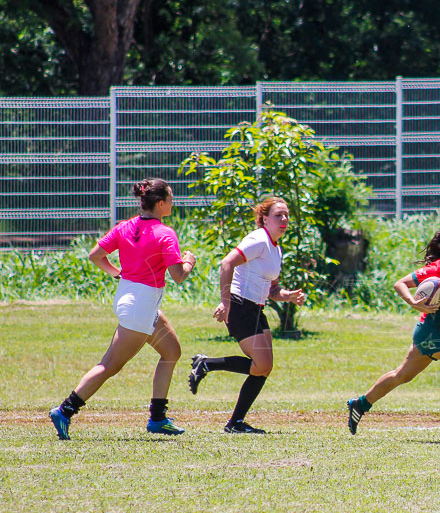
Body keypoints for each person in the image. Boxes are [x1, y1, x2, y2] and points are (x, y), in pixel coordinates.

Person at [48, 178, 197, 440]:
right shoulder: (165, 233)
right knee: (110, 366)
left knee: (171, 351)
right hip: (140, 306)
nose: (173, 203)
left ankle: (158, 417)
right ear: (161, 203)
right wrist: (189, 262)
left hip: (132, 299)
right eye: (171, 199)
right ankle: (65, 410)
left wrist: (117, 273)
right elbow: (178, 276)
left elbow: (95, 255)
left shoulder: (125, 226)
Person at [346, 226, 440, 434]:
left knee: (401, 376)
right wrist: (413, 302)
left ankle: (360, 404)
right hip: (430, 333)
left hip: (435, 334)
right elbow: (399, 283)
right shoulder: (436, 270)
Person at [186, 197, 306, 434]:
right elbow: (226, 264)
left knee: (264, 367)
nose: (284, 219)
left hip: (256, 308)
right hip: (241, 305)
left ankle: (236, 422)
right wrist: (226, 301)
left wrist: (289, 295)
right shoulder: (258, 239)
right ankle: (207, 365)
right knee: (261, 364)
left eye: (286, 215)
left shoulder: (275, 248)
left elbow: (272, 290)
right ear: (263, 219)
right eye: (277, 215)